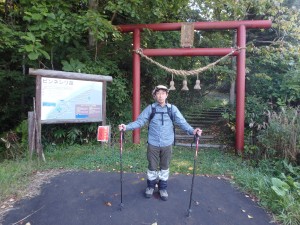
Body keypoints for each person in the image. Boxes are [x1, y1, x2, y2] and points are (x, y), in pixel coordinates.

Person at [118, 85, 202, 201]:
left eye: (163, 93)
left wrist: (193, 131)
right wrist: (126, 127)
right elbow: (140, 121)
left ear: (167, 95)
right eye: (158, 93)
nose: (161, 95)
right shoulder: (151, 108)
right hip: (153, 143)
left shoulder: (172, 109)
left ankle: (162, 188)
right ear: (155, 95)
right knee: (152, 167)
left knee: (165, 167)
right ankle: (150, 187)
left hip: (167, 143)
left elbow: (182, 122)